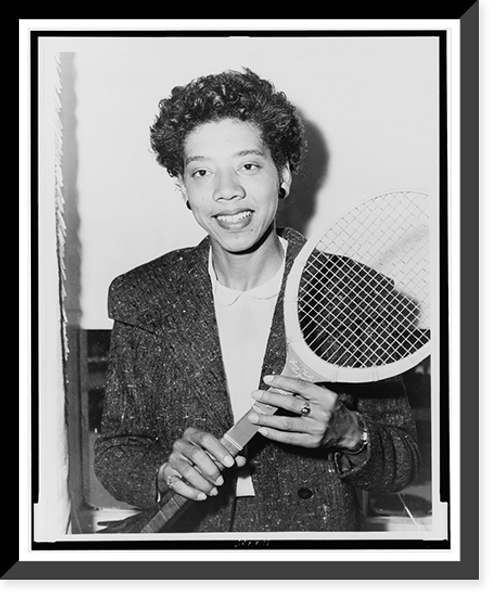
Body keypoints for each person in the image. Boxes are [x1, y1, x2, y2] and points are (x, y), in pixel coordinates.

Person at [94, 68, 420, 533]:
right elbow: (117, 450)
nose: (227, 191)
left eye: (248, 165)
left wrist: (350, 433)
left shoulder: (350, 289)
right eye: (202, 171)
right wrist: (166, 471)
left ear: (283, 174)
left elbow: (402, 462)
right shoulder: (144, 294)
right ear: (182, 188)